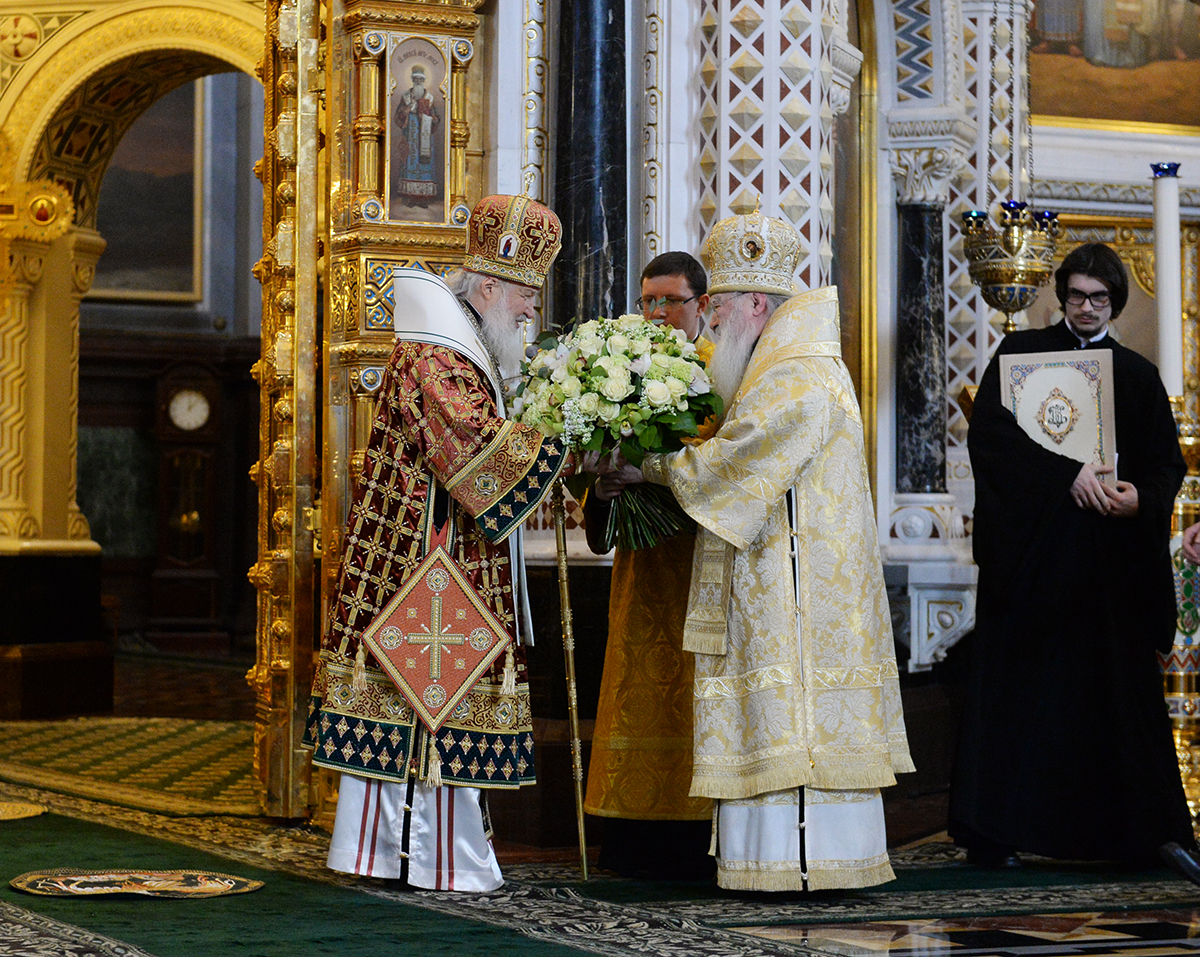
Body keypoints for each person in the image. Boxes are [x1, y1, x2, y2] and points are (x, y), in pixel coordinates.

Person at [597, 209, 913, 891]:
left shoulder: (798, 372)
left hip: (793, 603)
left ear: (757, 304)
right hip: (776, 585)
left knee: (791, 724)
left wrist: (646, 468)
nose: (709, 316)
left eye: (720, 303)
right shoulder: (775, 366)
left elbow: (735, 465)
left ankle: (801, 862)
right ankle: (770, 861)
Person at [305, 193, 575, 892]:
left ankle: (416, 853)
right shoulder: (435, 357)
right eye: (522, 295)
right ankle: (418, 854)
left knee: (432, 706)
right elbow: (473, 454)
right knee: (424, 702)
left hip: (441, 561)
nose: (528, 312)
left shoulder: (456, 349)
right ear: (487, 286)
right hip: (423, 566)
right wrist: (562, 447)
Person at [949, 242, 1200, 884]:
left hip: (1107, 569)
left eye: (1100, 298)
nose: (1087, 309)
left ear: (1115, 300)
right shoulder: (1021, 356)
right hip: (1032, 565)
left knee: (1114, 694)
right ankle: (996, 831)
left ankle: (1140, 834)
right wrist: (1067, 475)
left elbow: (1165, 464)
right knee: (1021, 695)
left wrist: (1139, 496)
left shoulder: (1138, 375)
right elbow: (992, 441)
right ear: (1060, 296)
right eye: (1078, 296)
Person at [582, 252, 714, 880]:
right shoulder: (622, 369)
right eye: (648, 302)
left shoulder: (724, 381)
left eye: (671, 301)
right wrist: (605, 492)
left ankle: (695, 842)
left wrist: (657, 473)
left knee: (694, 703)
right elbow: (608, 475)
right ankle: (631, 838)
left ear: (703, 307)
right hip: (641, 575)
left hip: (701, 573)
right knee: (636, 693)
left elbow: (727, 475)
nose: (658, 314)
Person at [394, 65, 441, 206]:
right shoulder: (406, 96)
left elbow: (436, 116)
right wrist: (406, 111)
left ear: (424, 80)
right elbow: (398, 115)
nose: (419, 82)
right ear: (413, 80)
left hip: (425, 134)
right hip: (410, 135)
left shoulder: (430, 98)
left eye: (421, 79)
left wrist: (433, 119)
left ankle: (423, 198)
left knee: (424, 163)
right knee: (410, 161)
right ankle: (410, 197)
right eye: (416, 79)